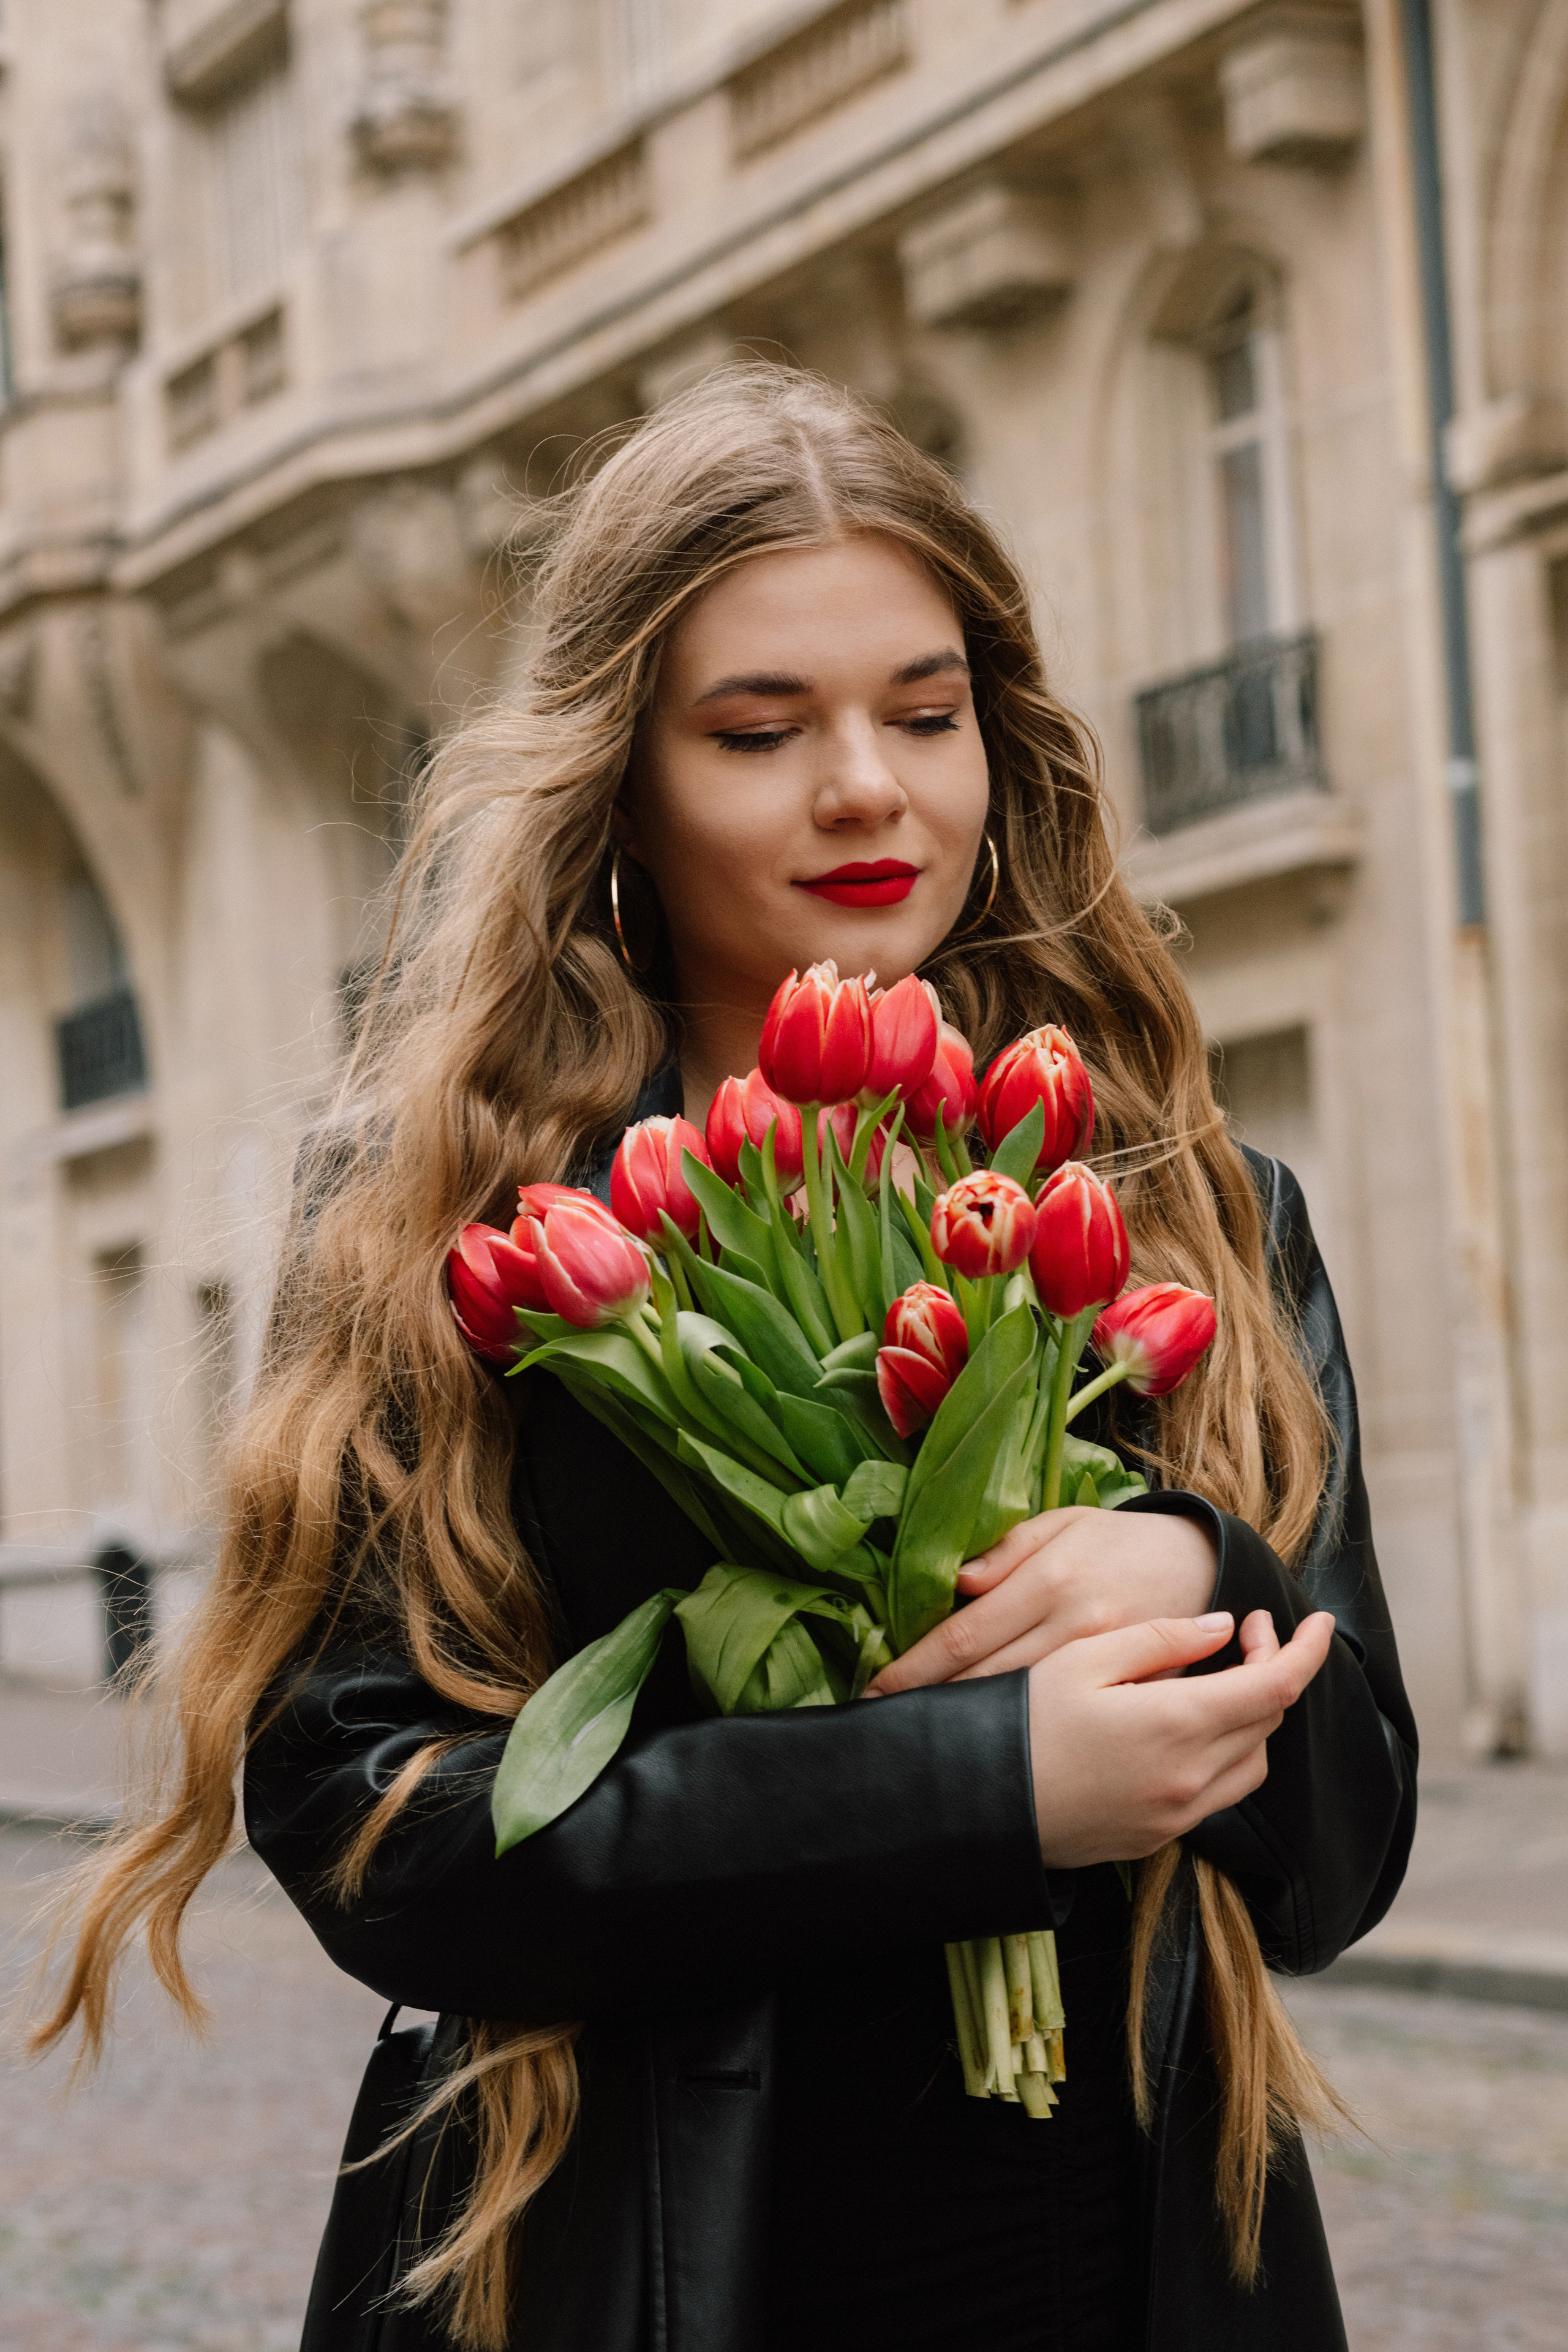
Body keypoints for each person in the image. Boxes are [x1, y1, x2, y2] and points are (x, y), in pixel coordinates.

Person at [35, 367, 1415, 2352]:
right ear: (621, 780)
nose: (867, 787)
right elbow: (375, 1833)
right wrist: (984, 1784)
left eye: (926, 714)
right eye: (760, 731)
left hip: (1132, 2274)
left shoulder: (1189, 1206)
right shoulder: (480, 1234)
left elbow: (1340, 1864)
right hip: (642, 2269)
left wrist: (1203, 1571)